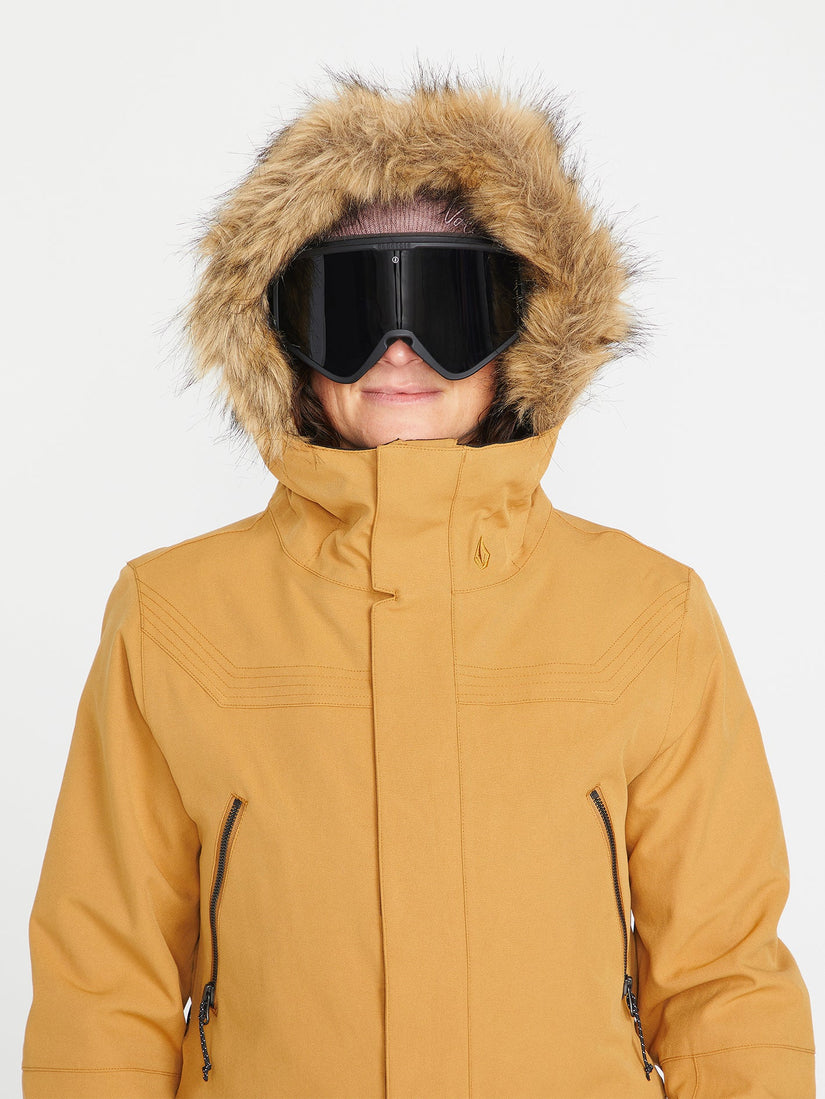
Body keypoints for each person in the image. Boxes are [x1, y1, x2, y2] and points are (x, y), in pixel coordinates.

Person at [21, 67, 815, 1098]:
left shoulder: (648, 613)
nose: (399, 352)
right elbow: (103, 979)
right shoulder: (172, 615)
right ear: (281, 333)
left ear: (525, 326)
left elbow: (722, 976)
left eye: (446, 306)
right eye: (351, 309)